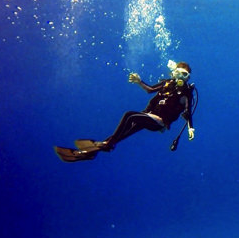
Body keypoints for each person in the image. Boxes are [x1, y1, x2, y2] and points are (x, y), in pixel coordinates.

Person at [54, 61, 197, 162]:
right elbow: (150, 90)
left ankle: (108, 144)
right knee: (125, 131)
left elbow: (188, 110)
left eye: (185, 75)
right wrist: (139, 81)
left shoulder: (185, 92)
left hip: (159, 122)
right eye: (179, 73)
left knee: (129, 115)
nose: (181, 78)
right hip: (148, 115)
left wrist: (190, 128)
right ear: (173, 73)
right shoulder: (167, 83)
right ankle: (88, 153)